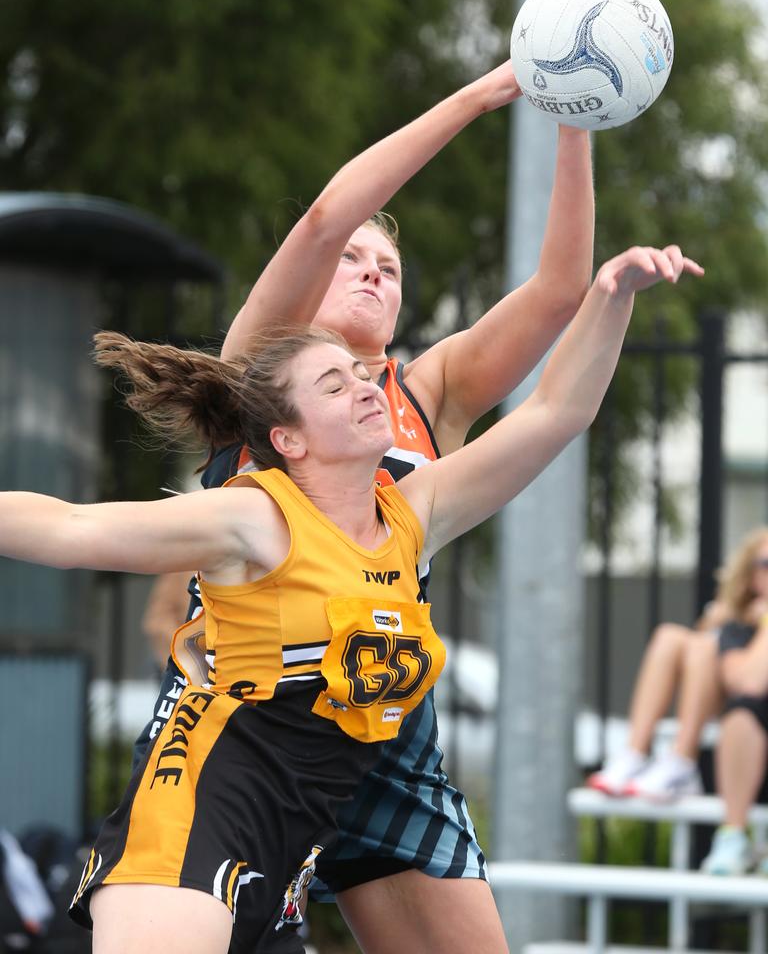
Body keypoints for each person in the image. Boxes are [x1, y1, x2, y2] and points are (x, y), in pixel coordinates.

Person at [0, 243, 701, 954]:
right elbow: (69, 525)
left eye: (363, 378)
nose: (368, 389)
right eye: (335, 387)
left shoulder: (411, 514)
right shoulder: (254, 519)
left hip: (298, 840)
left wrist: (613, 294)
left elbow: (556, 411)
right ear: (288, 439)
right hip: (196, 815)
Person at [133, 59, 596, 954]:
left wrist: (576, 111)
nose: (372, 271)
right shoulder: (258, 376)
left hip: (383, 714)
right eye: (355, 260)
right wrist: (477, 97)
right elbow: (326, 214)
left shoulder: (432, 393)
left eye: (390, 266)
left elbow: (558, 293)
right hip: (256, 715)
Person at [588, 527, 768, 803]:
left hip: (752, 732)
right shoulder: (739, 620)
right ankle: (635, 752)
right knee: (670, 637)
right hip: (733, 725)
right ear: (751, 572)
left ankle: (681, 760)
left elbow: (748, 683)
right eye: (765, 564)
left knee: (705, 646)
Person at [698, 528, 768, 875]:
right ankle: (733, 837)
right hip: (747, 767)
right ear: (751, 575)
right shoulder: (739, 628)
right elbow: (748, 682)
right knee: (741, 714)